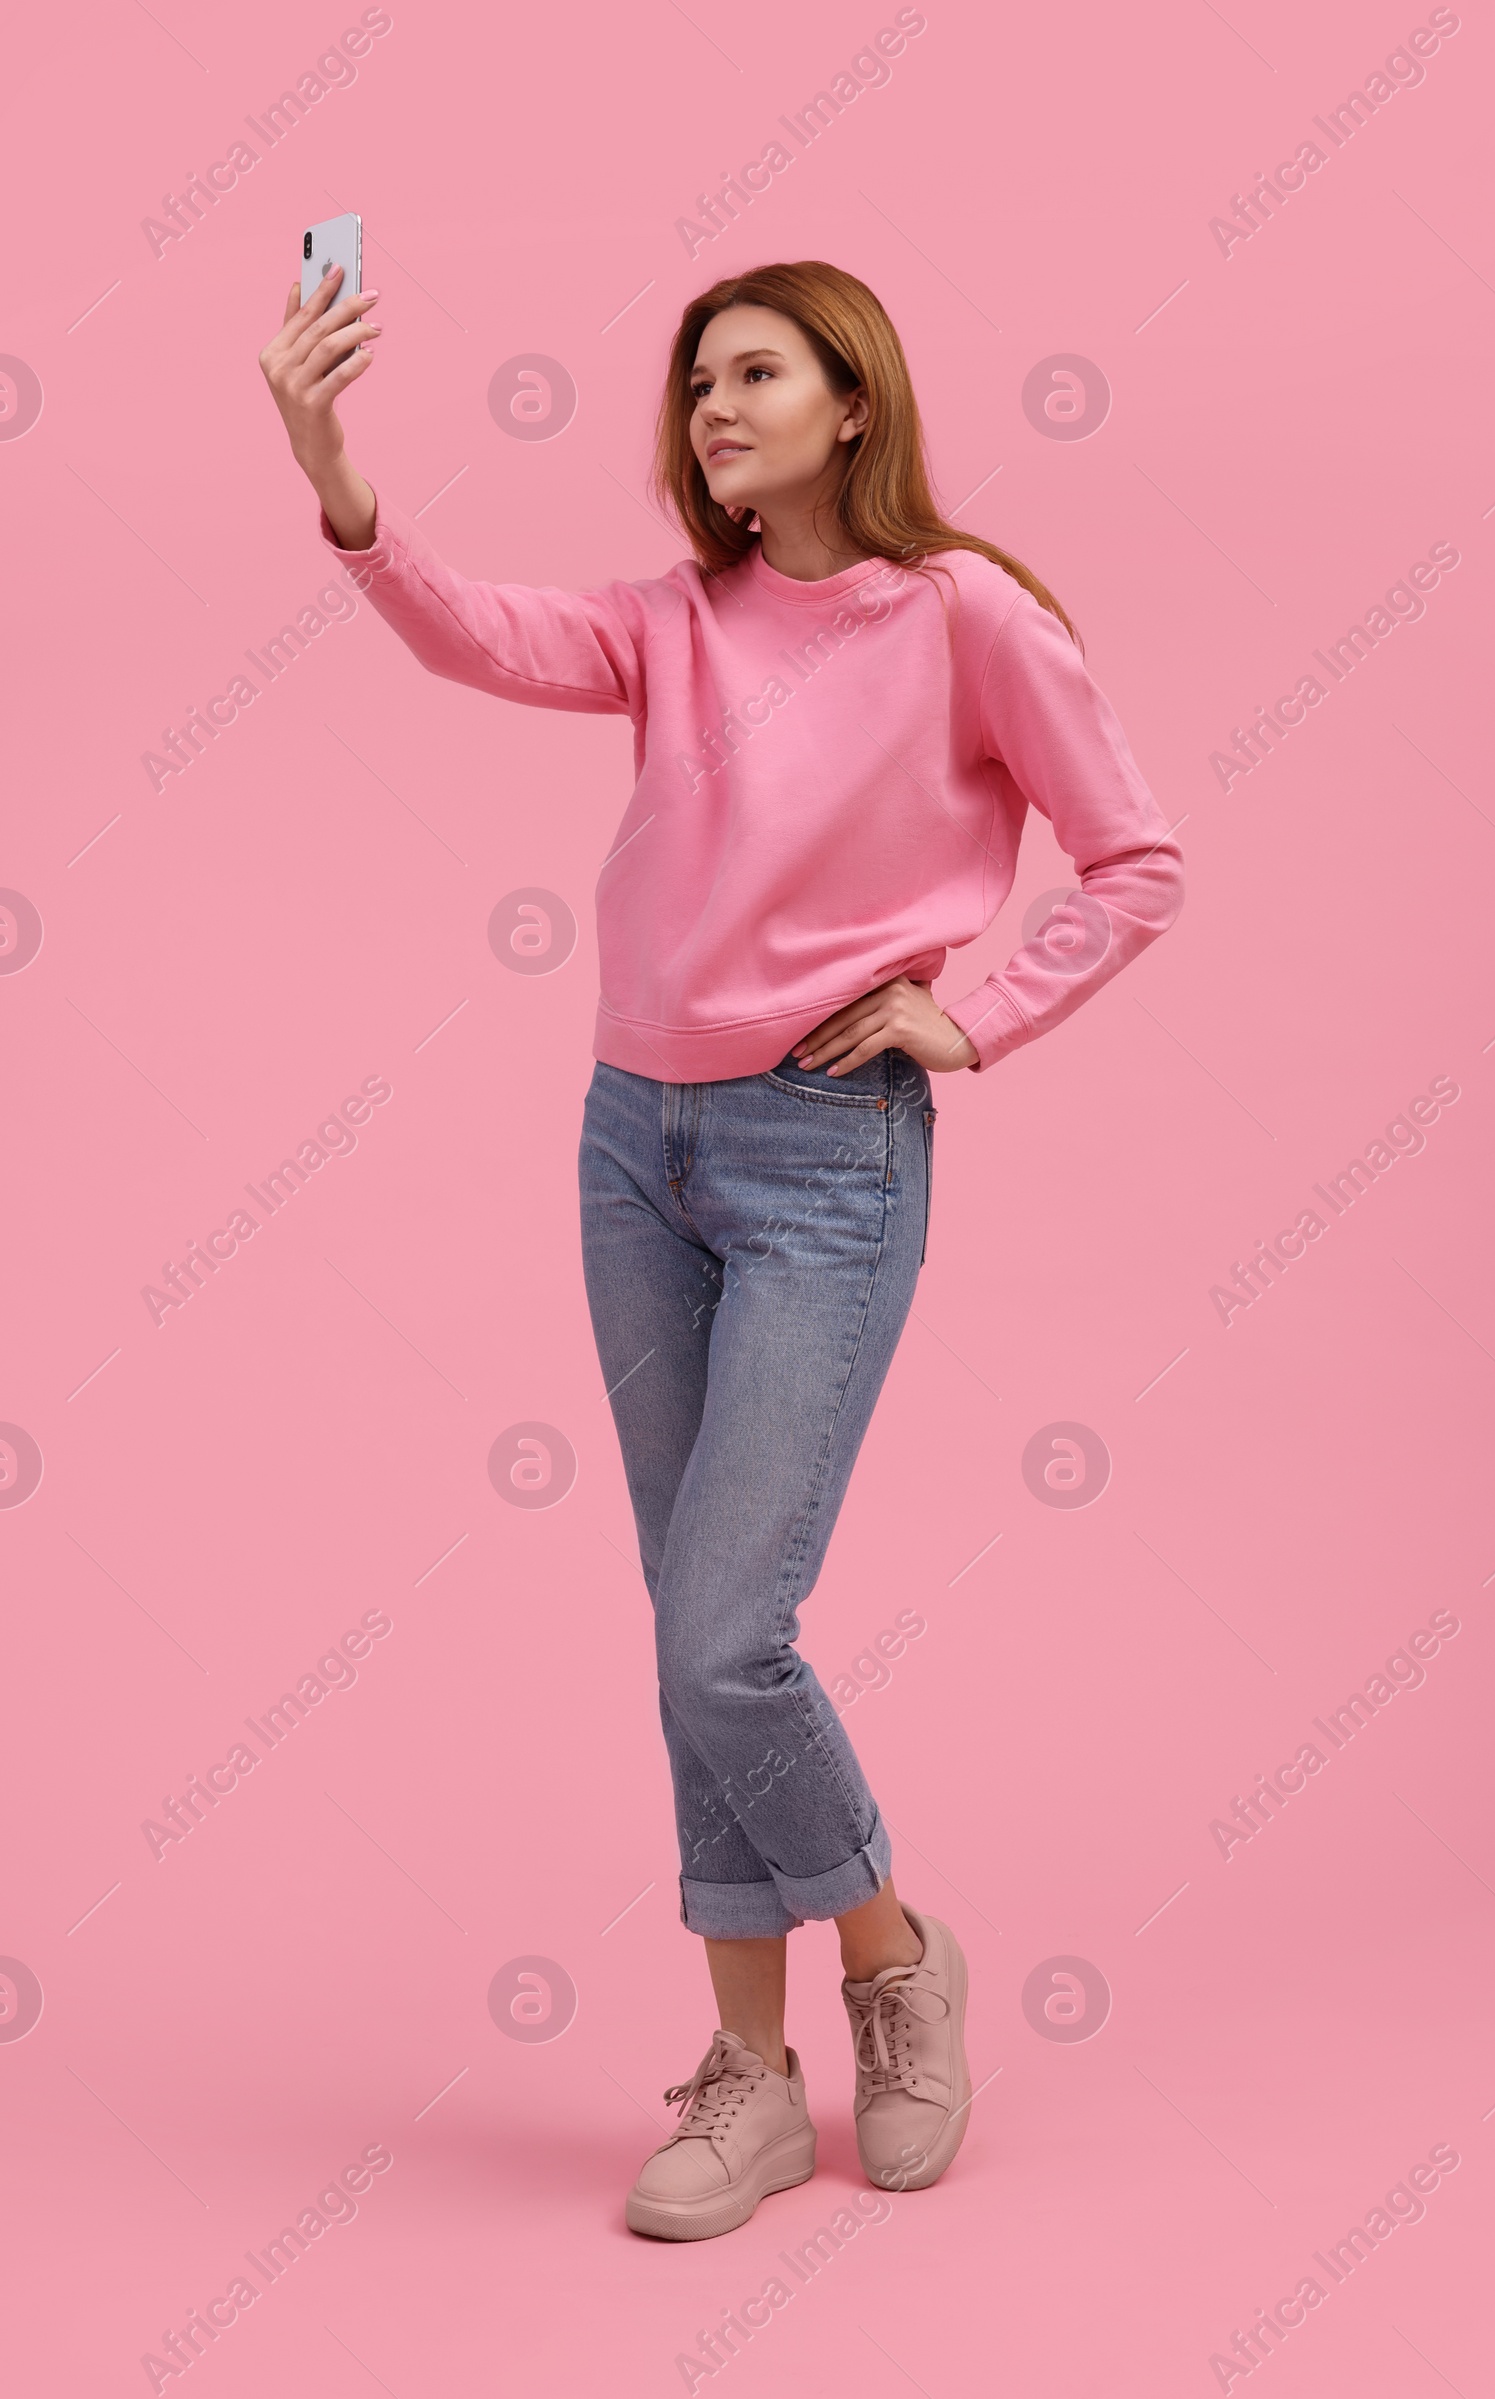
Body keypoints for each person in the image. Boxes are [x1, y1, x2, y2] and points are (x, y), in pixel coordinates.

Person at [260, 256, 1183, 2240]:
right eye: (692, 386)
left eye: (749, 373)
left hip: (821, 1157)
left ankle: (890, 1958)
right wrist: (333, 465)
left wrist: (978, 1012)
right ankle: (751, 2081)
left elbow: (1134, 861)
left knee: (717, 1638)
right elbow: (466, 631)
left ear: (852, 399)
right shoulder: (673, 624)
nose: (709, 411)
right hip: (631, 1149)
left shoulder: (961, 618)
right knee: (689, 1647)